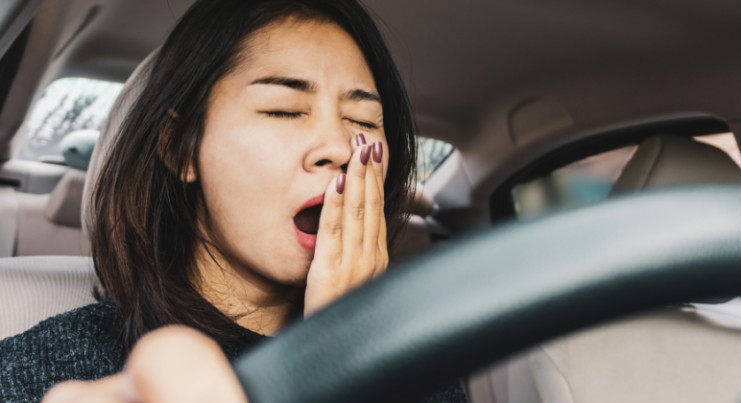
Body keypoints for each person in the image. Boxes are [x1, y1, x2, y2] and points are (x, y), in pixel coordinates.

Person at [0, 0, 468, 402]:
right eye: (283, 110)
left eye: (364, 120)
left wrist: (344, 351)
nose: (341, 147)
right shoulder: (50, 369)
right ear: (181, 148)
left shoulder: (428, 374)